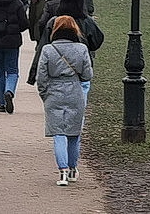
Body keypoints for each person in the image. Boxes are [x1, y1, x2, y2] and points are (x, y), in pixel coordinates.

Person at [36, 16, 93, 186]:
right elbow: (88, 75)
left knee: (58, 134)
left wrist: (44, 94)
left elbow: (41, 77)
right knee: (74, 134)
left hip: (53, 93)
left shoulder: (48, 50)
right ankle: (73, 168)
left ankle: (62, 172)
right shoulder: (82, 49)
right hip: (75, 92)